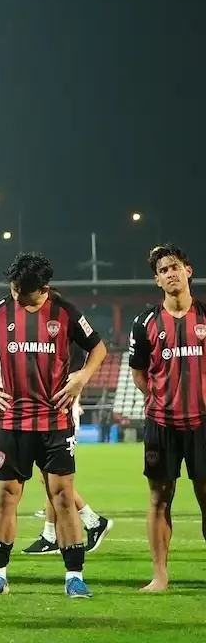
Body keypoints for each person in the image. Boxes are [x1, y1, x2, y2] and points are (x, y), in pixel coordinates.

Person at [0, 252, 107, 599]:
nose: (15, 295)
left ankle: (74, 577)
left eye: (21, 291)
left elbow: (98, 347)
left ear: (42, 289)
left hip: (55, 421)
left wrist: (81, 377)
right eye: (13, 287)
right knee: (5, 496)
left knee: (61, 497)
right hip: (12, 421)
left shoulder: (65, 311)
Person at [129, 244, 206, 592]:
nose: (170, 273)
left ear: (188, 271)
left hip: (203, 423)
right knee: (160, 497)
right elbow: (139, 373)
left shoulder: (205, 316)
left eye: (174, 266)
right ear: (157, 281)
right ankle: (160, 575)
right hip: (161, 425)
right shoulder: (145, 323)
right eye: (163, 270)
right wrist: (159, 401)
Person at [23, 344, 112, 555]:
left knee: (52, 480)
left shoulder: (65, 366)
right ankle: (50, 534)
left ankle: (92, 521)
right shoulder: (68, 363)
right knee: (48, 478)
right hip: (55, 421)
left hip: (60, 423)